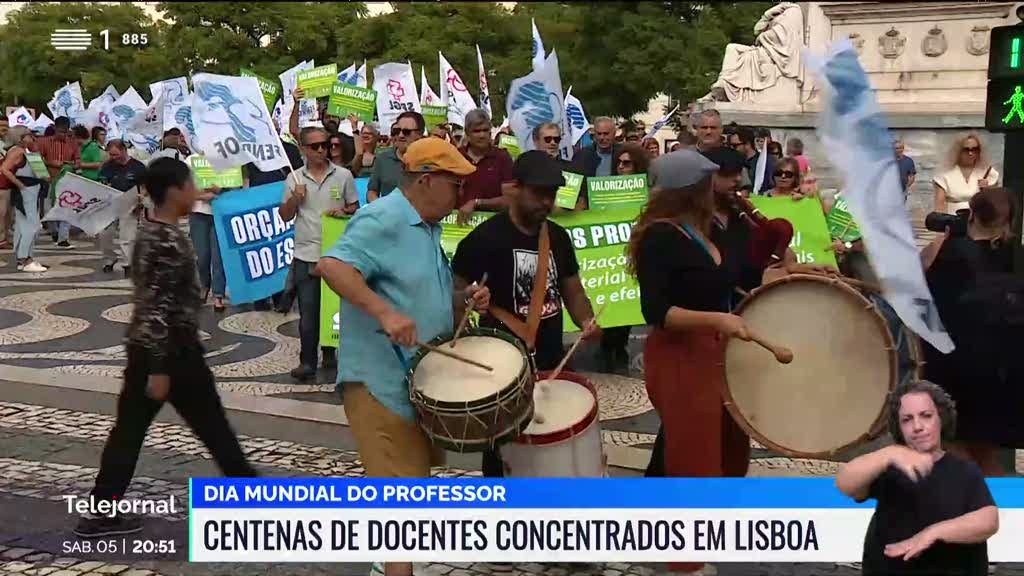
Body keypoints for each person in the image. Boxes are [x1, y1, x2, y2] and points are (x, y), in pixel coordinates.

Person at [317, 138, 489, 576]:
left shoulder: (427, 228)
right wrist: (385, 313)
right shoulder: (384, 217)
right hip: (380, 381)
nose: (461, 196)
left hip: (415, 382)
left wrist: (462, 299)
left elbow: (421, 292)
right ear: (427, 181)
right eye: (455, 185)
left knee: (409, 494)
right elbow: (333, 266)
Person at [74, 157, 258, 539]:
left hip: (153, 348)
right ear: (174, 191)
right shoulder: (163, 240)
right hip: (170, 353)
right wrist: (159, 368)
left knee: (134, 431)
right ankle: (252, 500)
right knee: (212, 428)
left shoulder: (153, 230)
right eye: (190, 185)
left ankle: (100, 511)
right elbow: (155, 306)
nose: (194, 191)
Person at [628, 149, 752, 576]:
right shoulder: (660, 237)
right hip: (680, 355)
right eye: (708, 182)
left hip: (716, 351)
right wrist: (718, 319)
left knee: (731, 447)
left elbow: (736, 281)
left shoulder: (706, 230)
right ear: (692, 190)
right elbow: (657, 311)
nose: (718, 188)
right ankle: (685, 562)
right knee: (693, 457)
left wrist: (799, 273)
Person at [452, 150, 599, 478]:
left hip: (549, 358)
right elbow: (454, 290)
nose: (547, 203)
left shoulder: (557, 238)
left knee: (550, 448)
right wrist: (467, 300)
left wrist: (587, 320)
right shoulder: (486, 238)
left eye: (553, 195)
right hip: (500, 367)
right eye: (539, 193)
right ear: (514, 188)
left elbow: (573, 290)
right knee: (502, 452)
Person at [835, 380, 999, 575]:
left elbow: (987, 521)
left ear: (941, 419)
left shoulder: (964, 470)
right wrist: (889, 454)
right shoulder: (886, 468)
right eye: (907, 419)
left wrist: (932, 534)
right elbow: (845, 483)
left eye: (926, 416)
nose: (917, 426)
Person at [920, 187, 1020, 476]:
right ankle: (1001, 512)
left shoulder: (947, 249)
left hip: (950, 365)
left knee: (949, 443)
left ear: (972, 213)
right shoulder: (1014, 255)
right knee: (985, 452)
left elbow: (913, 278)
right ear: (1008, 220)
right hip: (1000, 370)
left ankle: (973, 503)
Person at [279, 127, 358, 381]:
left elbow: (355, 207)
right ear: (303, 149)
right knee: (309, 313)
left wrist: (345, 211)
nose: (322, 150)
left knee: (335, 309)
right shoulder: (294, 179)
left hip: (337, 254)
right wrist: (294, 198)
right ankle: (307, 361)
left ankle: (331, 353)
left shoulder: (343, 175)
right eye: (315, 146)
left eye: (325, 145)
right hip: (306, 254)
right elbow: (285, 215)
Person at [599, 143, 649, 373]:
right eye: (618, 162)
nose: (621, 167)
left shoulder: (648, 191)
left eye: (627, 163)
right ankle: (607, 346)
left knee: (626, 302)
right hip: (608, 256)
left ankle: (619, 345)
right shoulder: (602, 190)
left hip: (635, 254)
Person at [0, 127, 47, 272]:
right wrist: (20, 185)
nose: (32, 137)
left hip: (31, 190)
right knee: (31, 225)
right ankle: (25, 259)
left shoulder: (24, 151)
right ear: (21, 137)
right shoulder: (17, 151)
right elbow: (5, 169)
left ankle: (24, 258)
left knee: (24, 225)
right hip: (26, 190)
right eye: (29, 135)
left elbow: (41, 173)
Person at [98, 140, 147, 277]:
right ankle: (109, 259)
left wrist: (141, 201)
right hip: (110, 202)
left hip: (130, 201)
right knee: (104, 234)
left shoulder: (138, 167)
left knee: (127, 236)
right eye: (111, 155)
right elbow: (101, 182)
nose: (114, 157)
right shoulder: (108, 166)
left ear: (124, 150)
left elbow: (145, 187)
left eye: (116, 154)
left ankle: (128, 264)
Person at [457, 109, 514, 225]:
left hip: (494, 225)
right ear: (467, 133)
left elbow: (510, 200)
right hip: (456, 228)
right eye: (477, 131)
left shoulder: (502, 157)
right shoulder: (455, 156)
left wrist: (477, 203)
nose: (482, 135)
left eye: (485, 130)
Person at [36, 115, 79, 249]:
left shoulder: (73, 143)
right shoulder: (44, 142)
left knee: (66, 208)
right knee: (49, 210)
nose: (62, 134)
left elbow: (78, 160)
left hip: (66, 180)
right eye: (60, 131)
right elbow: (37, 160)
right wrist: (50, 163)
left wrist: (71, 165)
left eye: (65, 132)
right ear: (54, 128)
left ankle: (63, 238)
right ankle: (54, 232)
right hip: (49, 180)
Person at [933, 133, 999, 214]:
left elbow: (996, 202)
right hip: (953, 220)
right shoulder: (945, 174)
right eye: (966, 149)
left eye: (974, 149)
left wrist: (988, 190)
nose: (970, 153)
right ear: (958, 151)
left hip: (979, 221)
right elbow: (939, 205)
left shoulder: (988, 172)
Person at [367, 111, 424, 202]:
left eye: (406, 132)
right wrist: (380, 208)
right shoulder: (383, 159)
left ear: (419, 135)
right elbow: (372, 191)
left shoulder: (429, 161)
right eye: (397, 131)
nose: (400, 135)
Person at [727, 125, 774, 195]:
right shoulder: (731, 161)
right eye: (729, 145)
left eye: (735, 146)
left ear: (747, 144)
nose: (731, 149)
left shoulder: (767, 161)